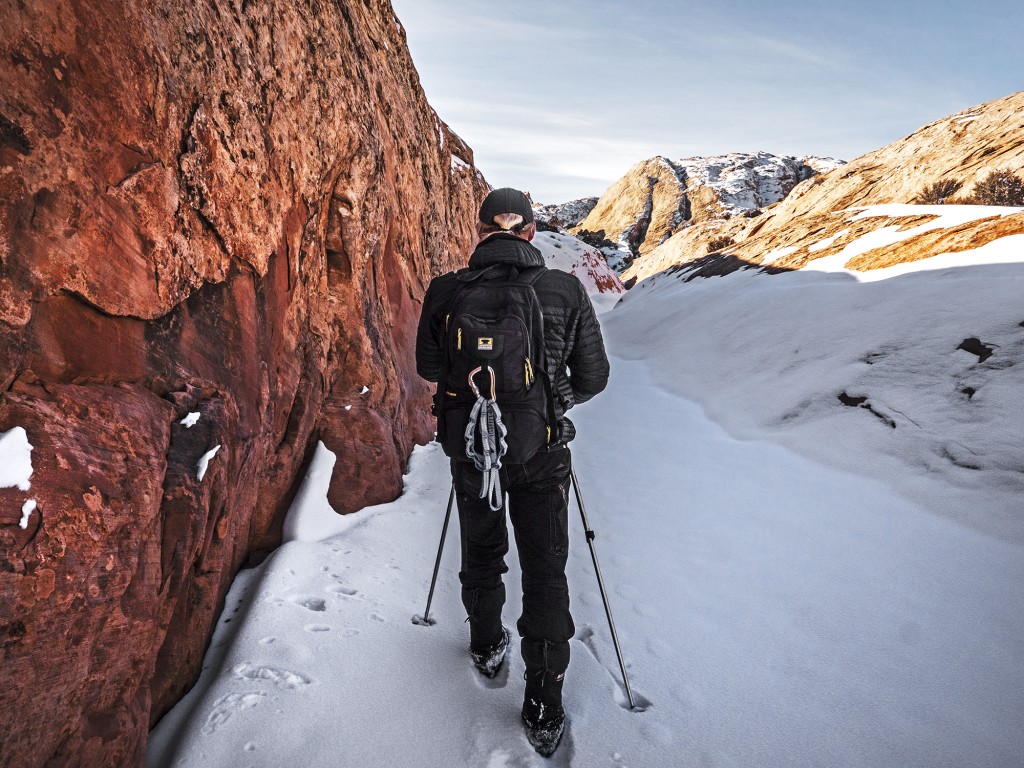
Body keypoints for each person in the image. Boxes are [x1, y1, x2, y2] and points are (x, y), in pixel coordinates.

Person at [415, 187, 610, 755]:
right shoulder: (562, 289)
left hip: (473, 448)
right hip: (541, 452)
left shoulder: (448, 290)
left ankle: (485, 642)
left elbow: (430, 366)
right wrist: (552, 399)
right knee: (545, 571)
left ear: (481, 230)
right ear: (530, 231)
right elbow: (593, 378)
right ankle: (544, 704)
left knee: (481, 549)